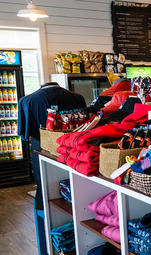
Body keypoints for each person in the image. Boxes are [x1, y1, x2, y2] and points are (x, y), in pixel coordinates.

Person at [18, 82, 86, 255]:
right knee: (76, 189)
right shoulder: (77, 98)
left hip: (42, 154)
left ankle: (52, 239)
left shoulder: (27, 101)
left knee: (46, 191)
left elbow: (25, 135)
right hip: (74, 152)